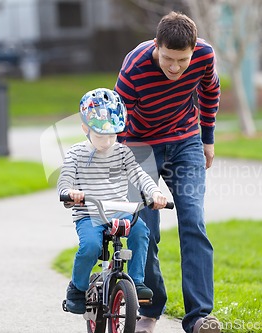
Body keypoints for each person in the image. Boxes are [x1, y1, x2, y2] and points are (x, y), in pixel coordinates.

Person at [114, 11, 221, 333]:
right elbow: (120, 123)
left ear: (193, 50)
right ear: (157, 46)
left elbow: (209, 92)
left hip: (185, 141)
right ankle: (150, 308)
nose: (175, 68)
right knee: (145, 231)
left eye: (183, 60)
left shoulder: (204, 55)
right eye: (169, 59)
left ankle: (199, 317)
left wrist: (208, 139)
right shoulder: (133, 67)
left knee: (193, 222)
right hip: (140, 146)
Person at [57, 88, 167, 314]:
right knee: (90, 246)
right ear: (85, 128)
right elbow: (65, 180)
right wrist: (70, 192)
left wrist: (154, 193)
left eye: (112, 135)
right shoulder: (75, 154)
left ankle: (136, 282)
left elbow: (139, 175)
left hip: (119, 210)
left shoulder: (122, 153)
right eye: (100, 135)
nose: (107, 142)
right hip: (89, 213)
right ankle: (77, 288)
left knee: (140, 232)